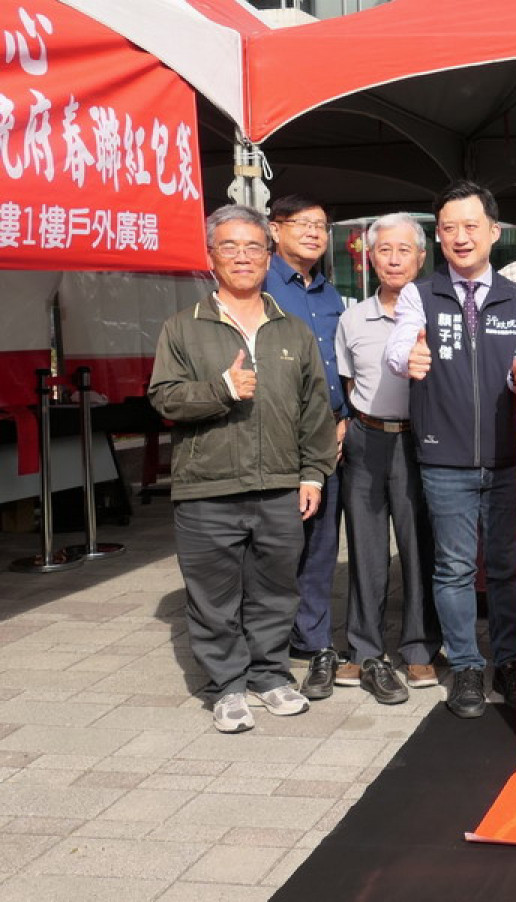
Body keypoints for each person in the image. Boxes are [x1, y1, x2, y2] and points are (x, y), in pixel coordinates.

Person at [148, 204, 337, 733]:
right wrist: (221, 390)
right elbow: (164, 398)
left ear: (268, 255)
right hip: (206, 488)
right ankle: (227, 686)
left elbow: (314, 408)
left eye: (253, 247)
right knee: (213, 597)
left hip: (279, 486)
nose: (242, 257)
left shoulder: (292, 330)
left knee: (276, 591)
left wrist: (312, 472)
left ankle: (270, 675)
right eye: (229, 246)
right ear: (211, 257)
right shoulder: (183, 327)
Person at [384, 181, 516, 719]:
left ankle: (510, 662)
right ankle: (467, 666)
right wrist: (409, 359)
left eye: (472, 226)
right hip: (443, 457)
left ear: (494, 231)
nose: (461, 237)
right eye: (450, 228)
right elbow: (401, 344)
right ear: (439, 236)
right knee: (453, 567)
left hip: (509, 455)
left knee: (508, 567)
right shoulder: (420, 294)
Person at [335, 212, 442, 704]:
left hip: (419, 441)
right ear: (370, 258)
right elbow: (348, 382)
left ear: (421, 257)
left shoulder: (436, 311)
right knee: (365, 546)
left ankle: (419, 646)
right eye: (385, 250)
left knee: (419, 546)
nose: (394, 259)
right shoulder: (352, 317)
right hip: (367, 439)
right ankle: (363, 646)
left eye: (404, 250)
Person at [262, 194, 349, 700]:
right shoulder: (261, 287)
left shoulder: (328, 292)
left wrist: (344, 419)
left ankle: (312, 640)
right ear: (275, 230)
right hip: (280, 437)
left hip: (331, 434)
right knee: (279, 543)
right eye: (303, 224)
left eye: (321, 225)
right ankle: (268, 642)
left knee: (320, 544)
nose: (315, 233)